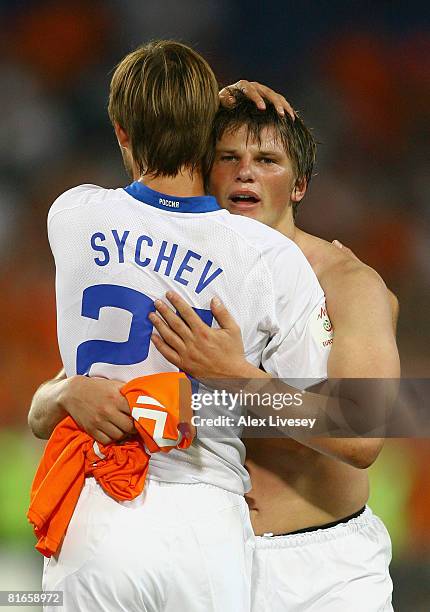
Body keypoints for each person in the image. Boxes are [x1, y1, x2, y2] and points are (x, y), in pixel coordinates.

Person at [30, 43, 332, 611]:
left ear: (121, 133)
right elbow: (328, 417)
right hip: (204, 518)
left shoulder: (72, 214)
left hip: (94, 509)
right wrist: (235, 378)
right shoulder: (268, 257)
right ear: (206, 134)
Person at [146, 91, 400, 611]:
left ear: (299, 185)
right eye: (228, 158)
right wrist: (60, 397)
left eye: (266, 161)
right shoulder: (166, 270)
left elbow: (363, 431)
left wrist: (236, 375)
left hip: (324, 572)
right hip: (204, 559)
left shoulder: (347, 283)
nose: (245, 174)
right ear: (203, 171)